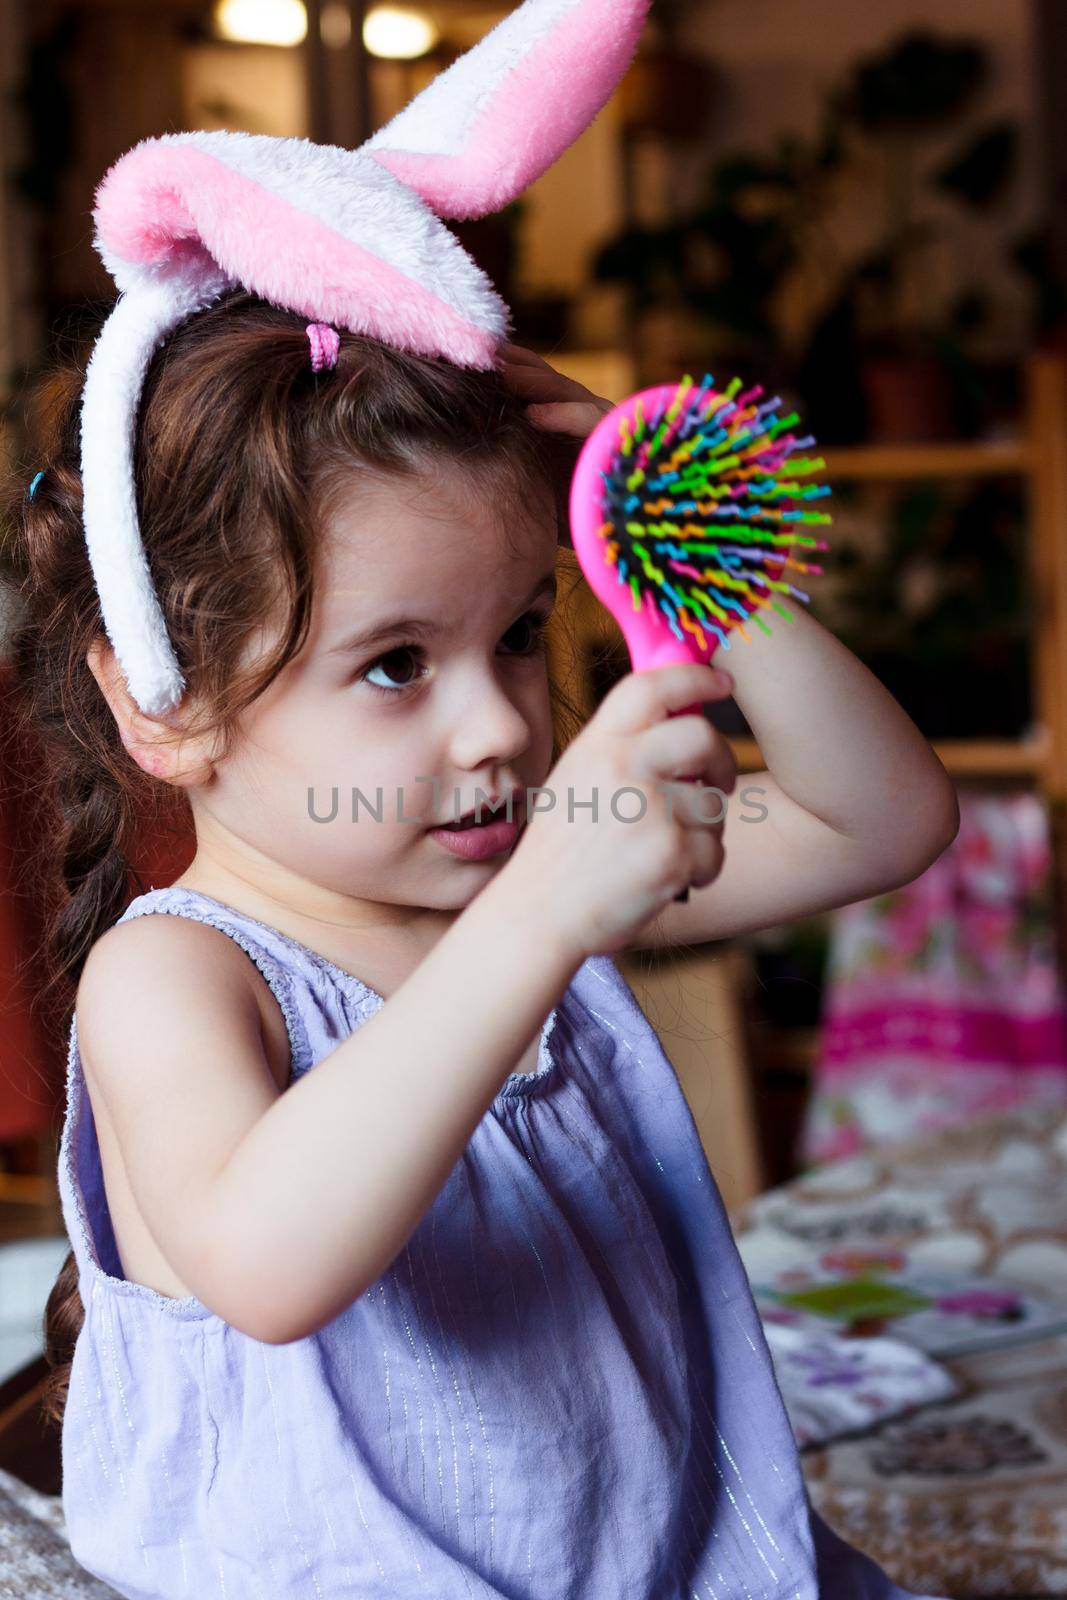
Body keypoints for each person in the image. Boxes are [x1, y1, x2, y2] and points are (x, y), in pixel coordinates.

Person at [7, 4, 959, 1596]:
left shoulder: (532, 860)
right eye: (392, 665)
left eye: (520, 633)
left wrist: (676, 538)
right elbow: (272, 1262)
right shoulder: (182, 975)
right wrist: (540, 915)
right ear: (161, 706)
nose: (498, 725)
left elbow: (885, 818)